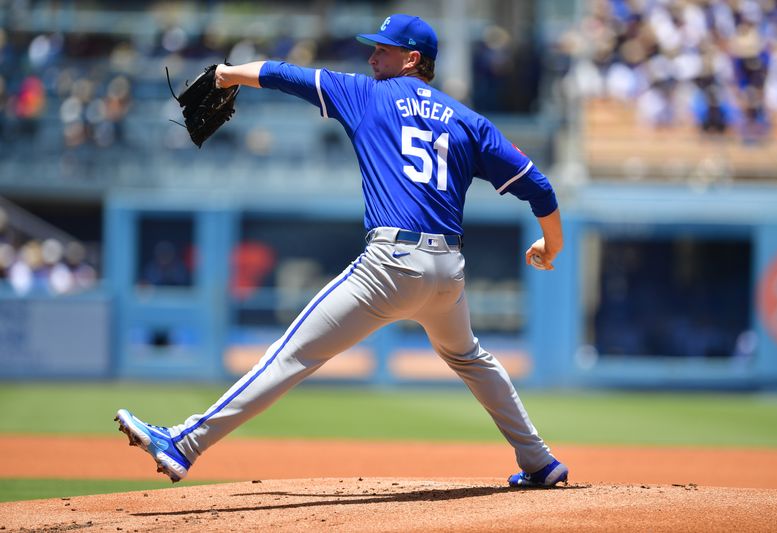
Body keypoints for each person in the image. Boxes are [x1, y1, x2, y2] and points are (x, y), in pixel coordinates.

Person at [115, 14, 567, 489]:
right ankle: (539, 460)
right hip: (447, 272)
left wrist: (227, 74)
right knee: (471, 358)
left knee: (289, 356)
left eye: (383, 50)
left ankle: (183, 444)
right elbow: (538, 186)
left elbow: (282, 74)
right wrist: (551, 246)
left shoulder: (367, 94)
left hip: (390, 265)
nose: (372, 57)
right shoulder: (469, 120)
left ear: (412, 59)